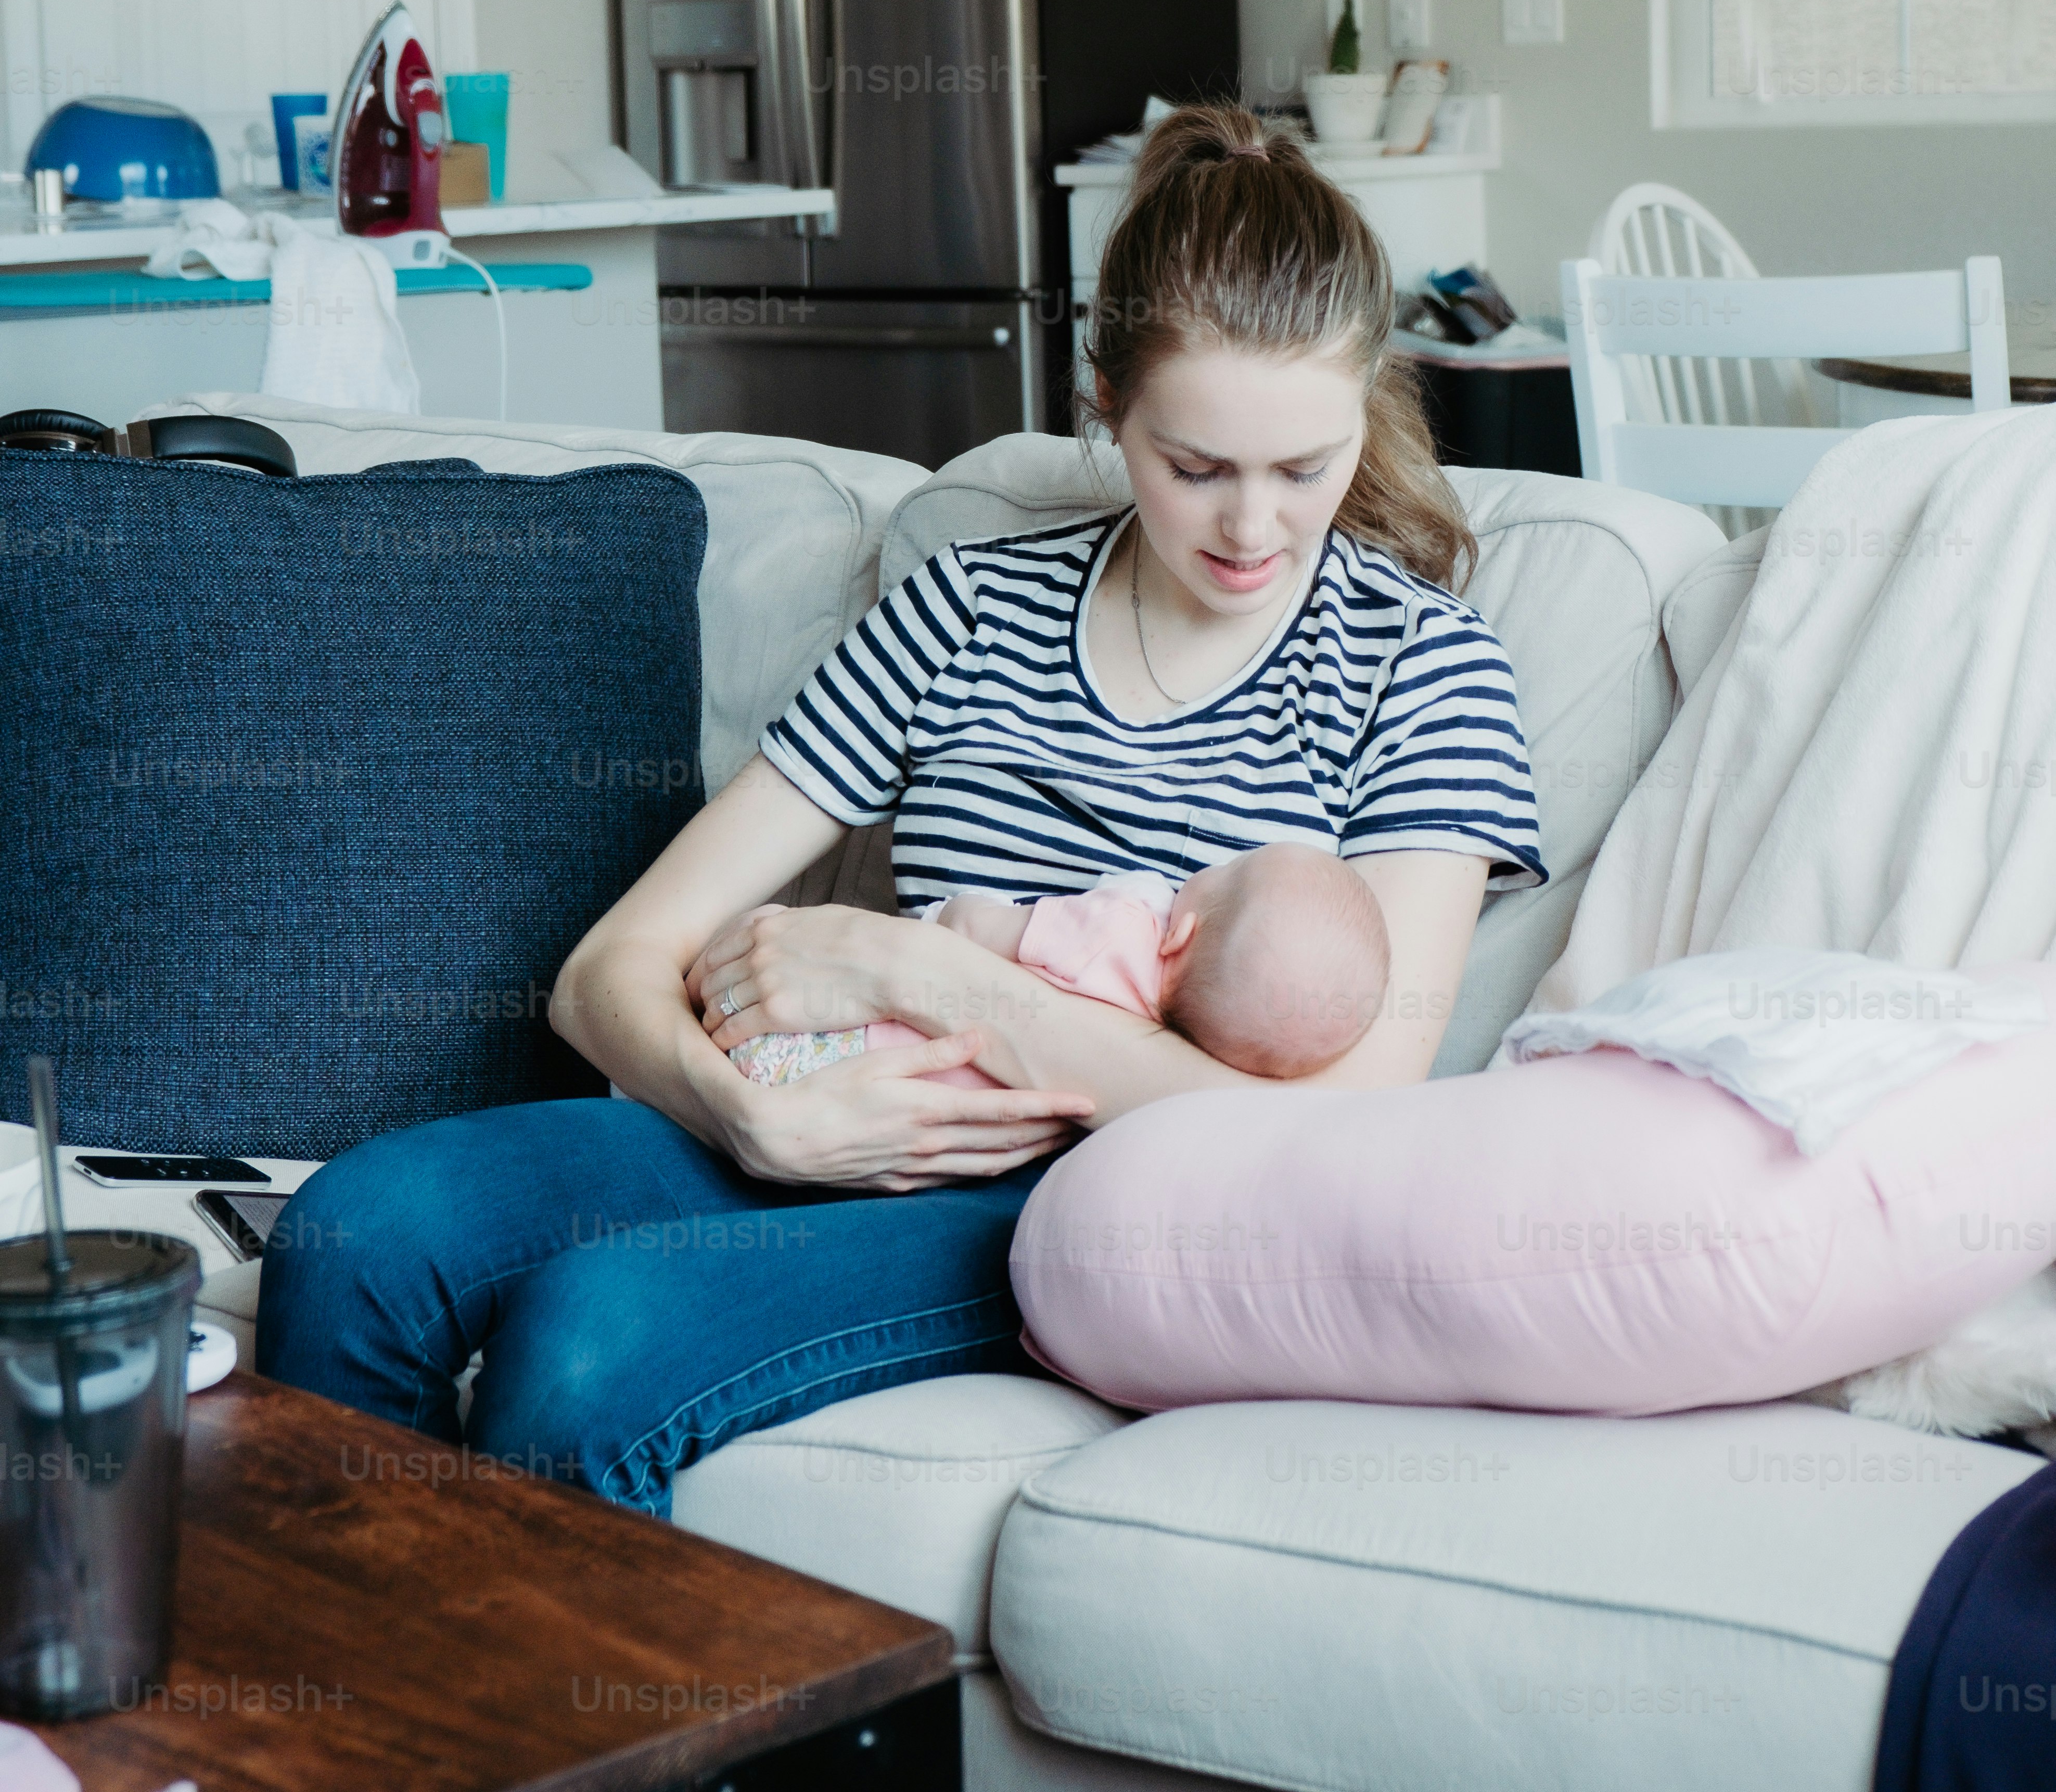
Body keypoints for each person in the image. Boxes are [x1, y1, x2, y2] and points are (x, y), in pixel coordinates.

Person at [257, 103, 1543, 1509]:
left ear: (1366, 405)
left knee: (590, 1342)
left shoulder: (1416, 667)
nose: (1251, 527)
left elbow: (1344, 1120)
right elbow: (602, 972)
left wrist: (912, 966)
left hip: (1074, 1212)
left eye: (1304, 465)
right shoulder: (966, 610)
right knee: (352, 1231)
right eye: (1194, 466)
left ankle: (530, 1727)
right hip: (817, 1112)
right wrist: (746, 1115)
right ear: (1102, 403)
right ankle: (330, 1717)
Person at [729, 847, 1393, 1087]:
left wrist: (943, 924)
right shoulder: (1165, 1052)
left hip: (846, 1043)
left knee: (757, 936)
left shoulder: (1122, 927)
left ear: (1182, 932)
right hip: (909, 1101)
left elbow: (977, 927)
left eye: (1226, 870)